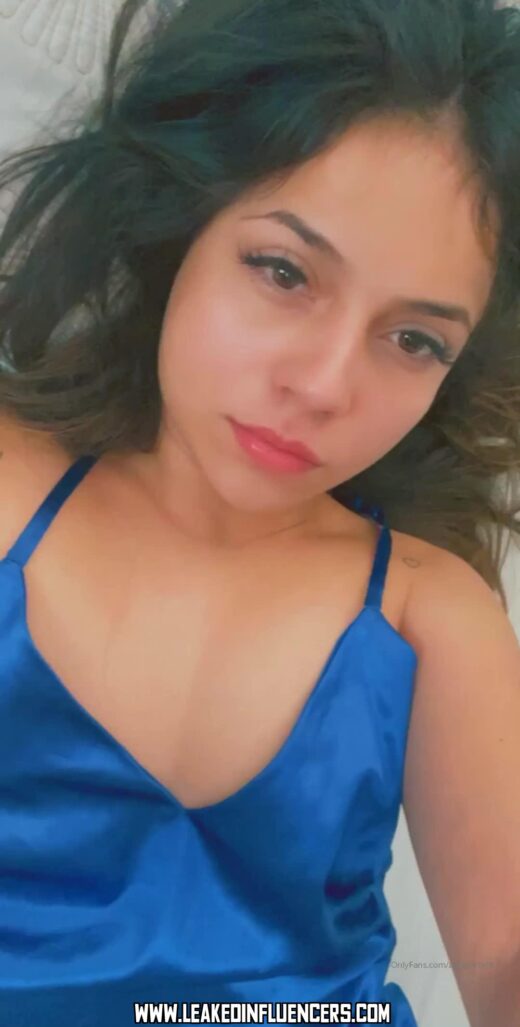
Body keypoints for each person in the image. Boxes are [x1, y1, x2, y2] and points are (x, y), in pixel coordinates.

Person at [0, 0, 519, 1024]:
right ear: (177, 222)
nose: (324, 385)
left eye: (413, 340)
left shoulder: (428, 615)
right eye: (284, 272)